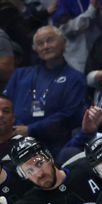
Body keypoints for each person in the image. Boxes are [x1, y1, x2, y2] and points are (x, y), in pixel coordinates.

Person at [3, 26, 86, 156]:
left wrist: (31, 130)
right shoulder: (20, 74)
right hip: (15, 142)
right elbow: (5, 106)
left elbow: (70, 115)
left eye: (50, 40)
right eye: (40, 43)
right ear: (35, 49)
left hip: (54, 147)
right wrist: (15, 128)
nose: (45, 46)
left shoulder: (75, 78)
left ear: (64, 43)